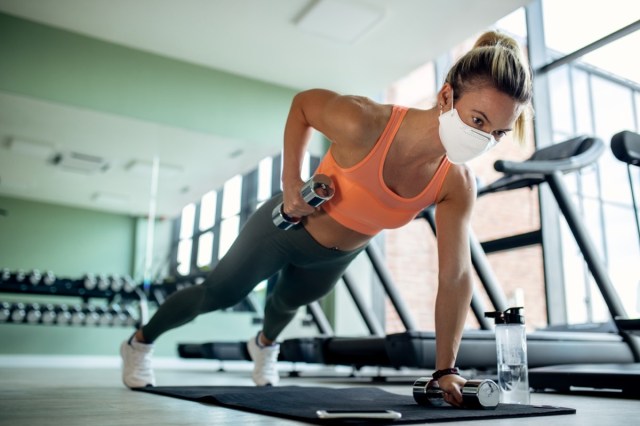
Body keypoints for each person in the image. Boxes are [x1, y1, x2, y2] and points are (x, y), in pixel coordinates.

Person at [120, 30, 532, 408]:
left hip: (336, 256)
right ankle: (139, 343)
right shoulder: (366, 122)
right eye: (478, 121)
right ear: (446, 97)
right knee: (219, 294)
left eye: (497, 133)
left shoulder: (456, 183)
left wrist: (446, 369)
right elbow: (303, 105)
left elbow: (455, 277)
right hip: (285, 228)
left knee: (286, 303)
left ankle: (263, 346)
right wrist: (291, 184)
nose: (484, 140)